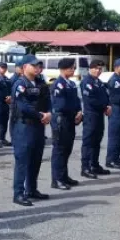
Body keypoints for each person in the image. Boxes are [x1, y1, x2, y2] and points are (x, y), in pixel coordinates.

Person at [11, 54, 51, 206]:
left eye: (38, 65)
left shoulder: (40, 82)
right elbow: (23, 106)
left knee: (36, 159)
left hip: (38, 125)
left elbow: (48, 100)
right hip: (24, 126)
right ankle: (18, 193)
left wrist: (49, 113)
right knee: (23, 160)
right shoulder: (20, 83)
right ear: (24, 67)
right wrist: (41, 115)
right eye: (33, 65)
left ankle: (31, 189)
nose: (37, 68)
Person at [49, 57, 82, 190]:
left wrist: (79, 111)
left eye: (74, 68)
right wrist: (74, 111)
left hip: (69, 119)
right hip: (61, 120)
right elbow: (61, 105)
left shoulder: (71, 84)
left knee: (67, 149)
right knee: (59, 150)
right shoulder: (58, 84)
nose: (74, 70)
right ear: (64, 69)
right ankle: (56, 179)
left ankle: (63, 176)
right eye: (72, 68)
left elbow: (76, 101)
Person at [79, 59, 111, 178]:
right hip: (91, 115)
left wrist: (108, 105)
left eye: (100, 69)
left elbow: (106, 96)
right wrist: (104, 106)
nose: (98, 71)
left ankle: (94, 165)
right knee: (88, 142)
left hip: (99, 115)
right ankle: (85, 167)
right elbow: (90, 100)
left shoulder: (99, 82)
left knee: (97, 141)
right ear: (90, 69)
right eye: (96, 68)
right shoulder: (87, 82)